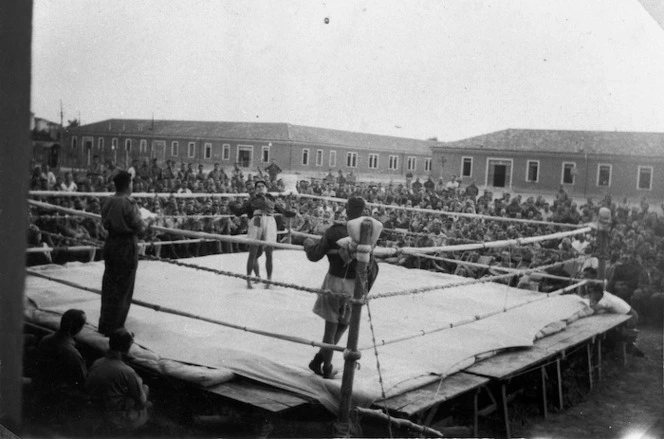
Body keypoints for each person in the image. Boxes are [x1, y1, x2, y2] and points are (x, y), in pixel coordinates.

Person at [304, 197, 379, 379]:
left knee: (330, 329)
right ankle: (320, 360)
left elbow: (314, 255)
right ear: (364, 211)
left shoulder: (335, 230)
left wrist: (307, 245)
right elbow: (372, 266)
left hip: (334, 280)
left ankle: (325, 365)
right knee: (344, 324)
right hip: (355, 285)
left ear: (346, 210)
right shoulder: (368, 233)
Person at [99, 170, 147, 336]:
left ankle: (105, 324)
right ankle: (117, 329)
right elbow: (140, 228)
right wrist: (149, 222)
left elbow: (104, 223)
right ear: (128, 185)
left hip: (111, 243)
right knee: (123, 288)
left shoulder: (108, 200)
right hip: (126, 244)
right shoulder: (129, 203)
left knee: (109, 285)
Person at [230, 179, 296, 288]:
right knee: (253, 251)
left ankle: (269, 280)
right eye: (258, 187)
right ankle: (249, 279)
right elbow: (239, 212)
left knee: (269, 252)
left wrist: (293, 213)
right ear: (256, 190)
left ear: (266, 188)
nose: (260, 188)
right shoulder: (251, 200)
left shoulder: (271, 198)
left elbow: (282, 210)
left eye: (262, 186)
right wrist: (232, 204)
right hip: (256, 221)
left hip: (270, 221)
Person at [86, 328, 151, 434]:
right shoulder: (128, 372)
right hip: (113, 418)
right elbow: (141, 404)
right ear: (126, 348)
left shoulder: (97, 362)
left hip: (93, 410)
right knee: (145, 391)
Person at [32, 309, 88, 424]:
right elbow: (83, 381)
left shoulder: (45, 340)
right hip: (59, 397)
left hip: (41, 390)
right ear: (78, 329)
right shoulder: (72, 354)